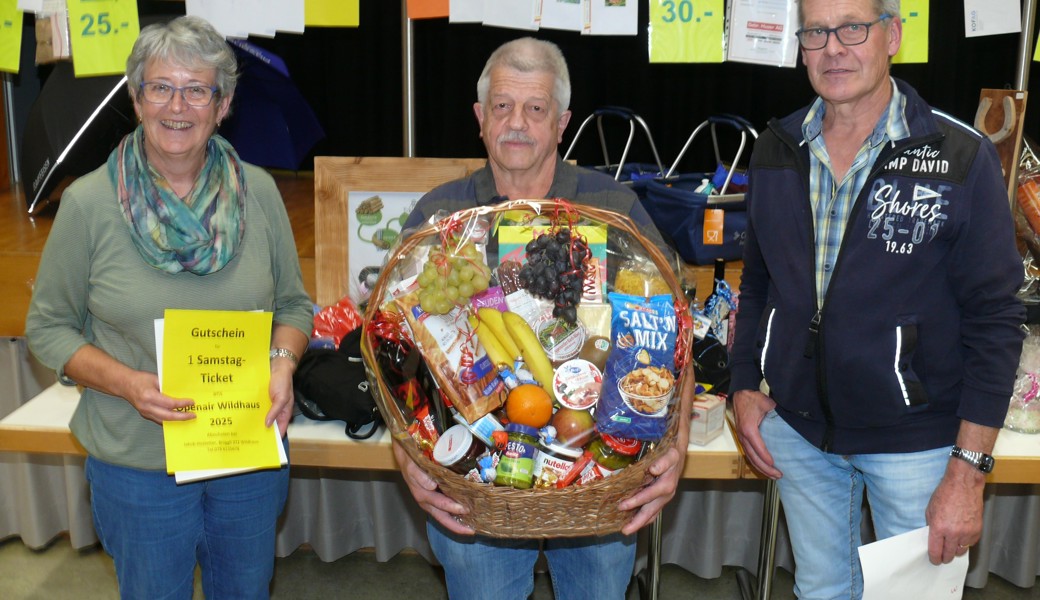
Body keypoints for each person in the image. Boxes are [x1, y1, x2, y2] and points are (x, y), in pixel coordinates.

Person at [729, 0, 1025, 598]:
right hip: (800, 435)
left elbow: (997, 319)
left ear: (892, 35)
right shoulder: (776, 148)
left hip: (918, 441)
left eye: (852, 28)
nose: (833, 47)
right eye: (816, 31)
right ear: (801, 45)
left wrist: (970, 470)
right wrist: (742, 382)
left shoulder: (959, 157)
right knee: (821, 590)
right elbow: (757, 282)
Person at [24, 16, 312, 599]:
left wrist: (282, 361)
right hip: (137, 464)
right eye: (160, 87)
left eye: (196, 89)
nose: (176, 106)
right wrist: (129, 383)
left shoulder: (258, 190)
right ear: (136, 97)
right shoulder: (88, 203)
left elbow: (293, 304)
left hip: (245, 453)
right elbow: (48, 329)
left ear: (222, 103)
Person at [398, 37, 690, 599]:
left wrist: (674, 445)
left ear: (561, 124)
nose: (517, 124)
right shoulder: (440, 216)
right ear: (480, 118)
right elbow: (398, 356)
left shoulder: (615, 209)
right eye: (502, 107)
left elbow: (677, 330)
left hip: (600, 463)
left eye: (535, 109)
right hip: (474, 473)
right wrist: (408, 456)